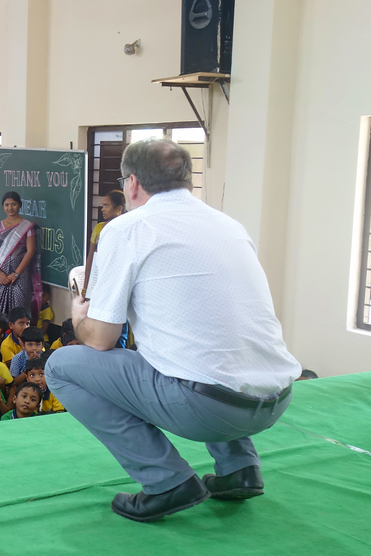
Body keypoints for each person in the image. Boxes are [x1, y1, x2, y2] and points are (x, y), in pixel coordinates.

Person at [45, 139, 301, 523]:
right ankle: (240, 468)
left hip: (205, 409)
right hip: (274, 400)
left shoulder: (126, 228)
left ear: (131, 185)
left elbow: (101, 339)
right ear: (187, 181)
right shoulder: (228, 224)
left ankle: (166, 481)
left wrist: (79, 314)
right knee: (203, 350)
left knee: (62, 365)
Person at [0, 191, 41, 316]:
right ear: (3, 206)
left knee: (20, 310)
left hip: (20, 275)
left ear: (19, 205)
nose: (10, 208)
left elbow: (30, 251)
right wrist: (0, 274)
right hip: (1, 275)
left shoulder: (27, 226)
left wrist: (16, 274)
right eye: (7, 205)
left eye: (13, 204)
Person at [84, 189, 125, 293]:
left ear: (119, 209)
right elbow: (90, 259)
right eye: (103, 206)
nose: (102, 209)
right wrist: (86, 288)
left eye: (107, 206)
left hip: (118, 282)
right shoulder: (98, 228)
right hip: (99, 280)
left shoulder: (126, 229)